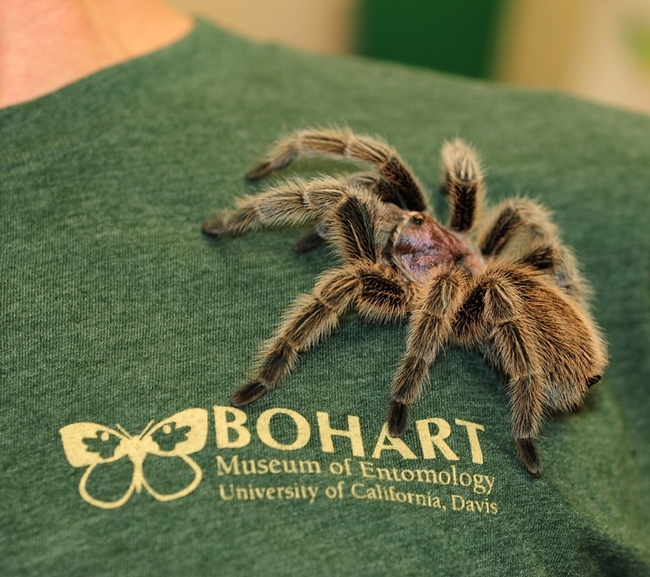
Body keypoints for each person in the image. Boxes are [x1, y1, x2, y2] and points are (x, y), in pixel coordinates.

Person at [2, 2, 649, 575]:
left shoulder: (450, 279)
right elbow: (406, 177)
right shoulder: (415, 232)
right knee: (354, 190)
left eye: (414, 224)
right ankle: (250, 225)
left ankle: (507, 423)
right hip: (497, 290)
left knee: (367, 279)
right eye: (407, 221)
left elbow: (463, 210)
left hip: (542, 350)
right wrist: (247, 212)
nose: (403, 225)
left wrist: (405, 392)